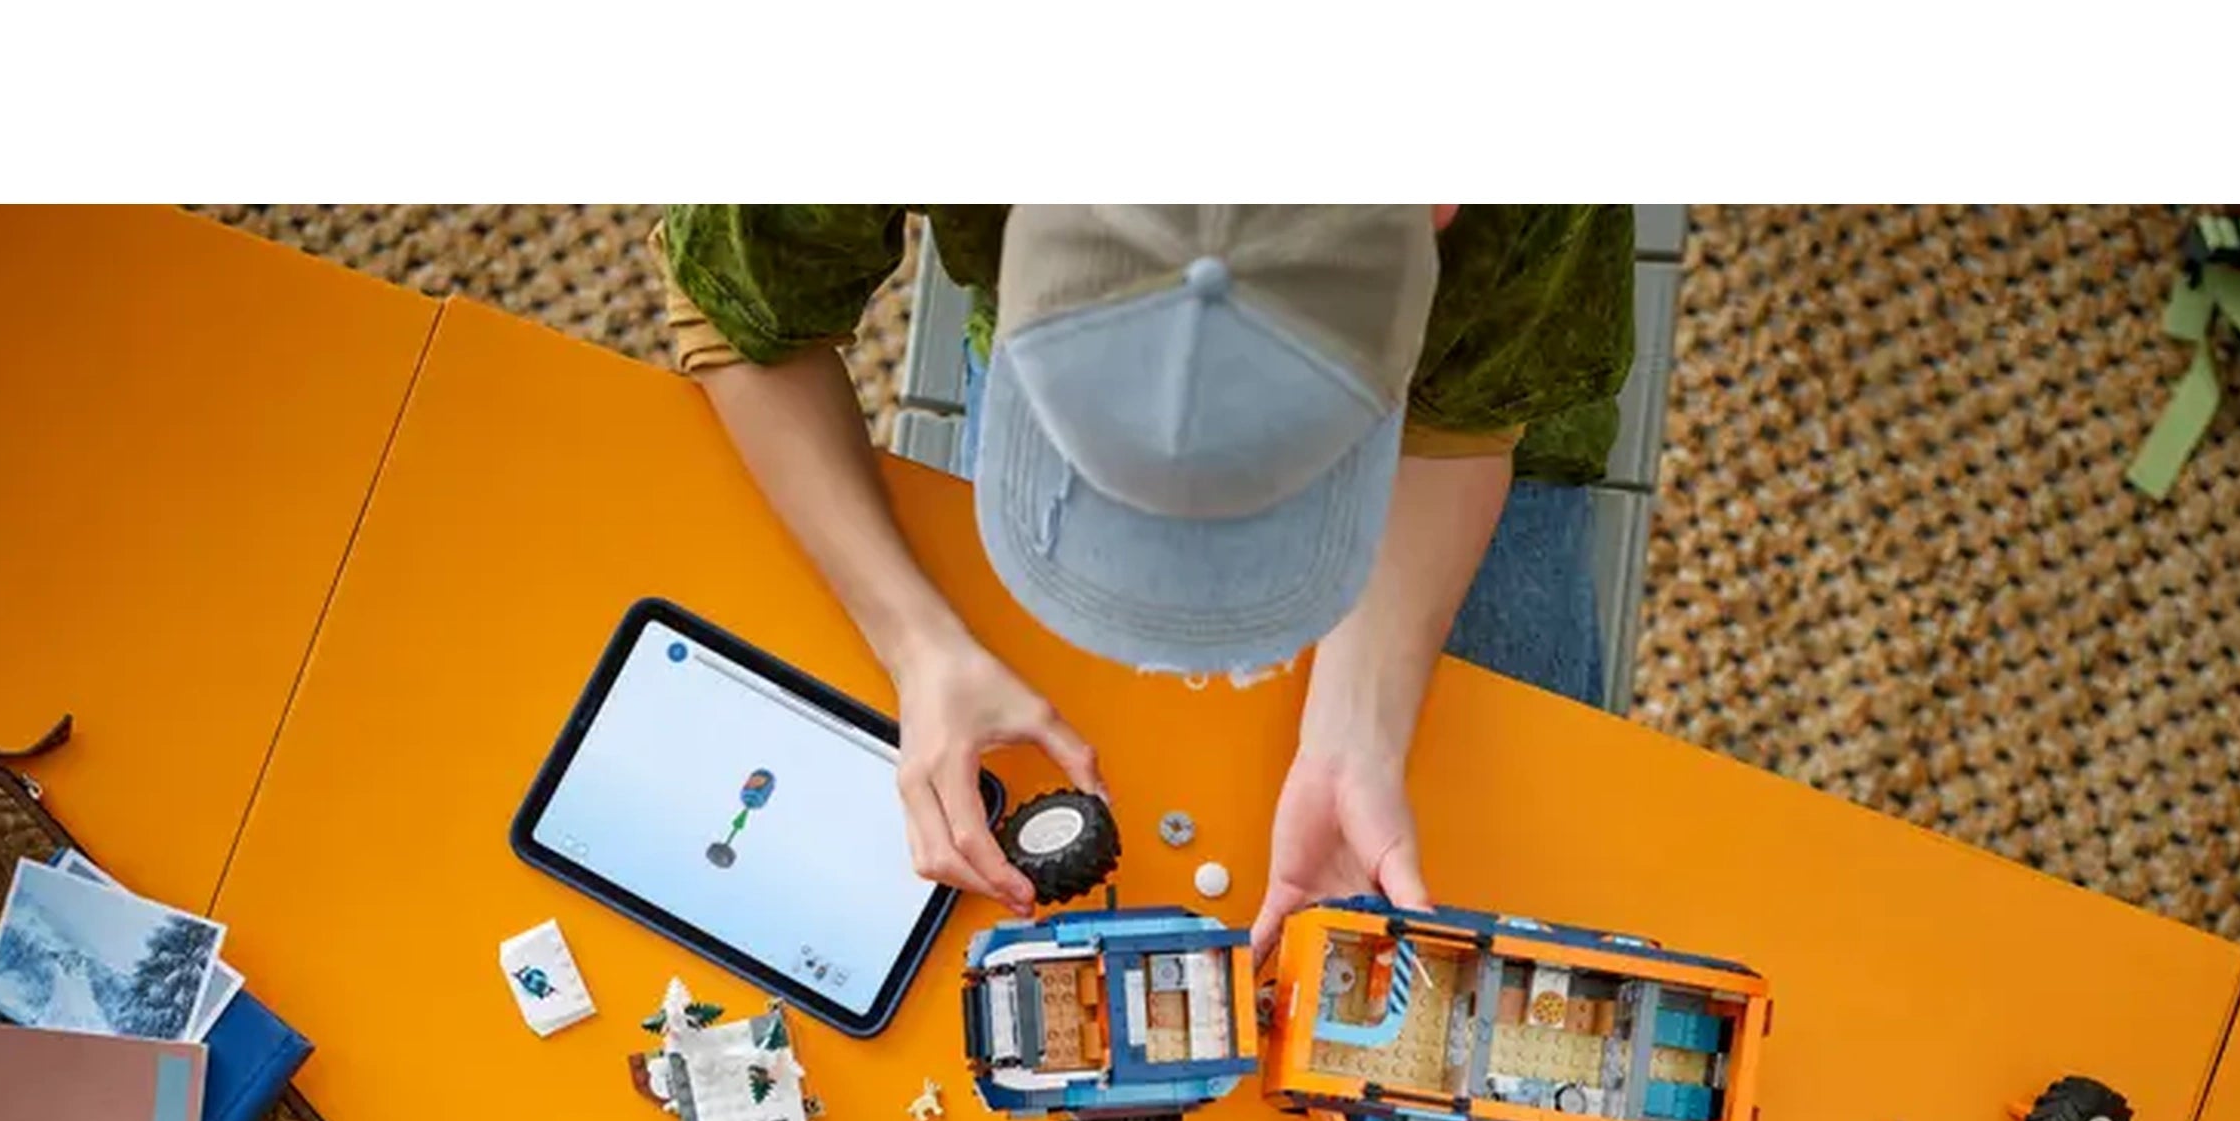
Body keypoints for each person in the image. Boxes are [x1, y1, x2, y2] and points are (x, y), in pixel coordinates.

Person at [657, 205, 1634, 957]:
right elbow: (739, 316)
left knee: (1524, 851)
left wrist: (1356, 742)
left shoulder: (1537, 211)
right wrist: (920, 648)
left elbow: (1454, 429)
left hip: (1461, 384)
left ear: (1435, 205)